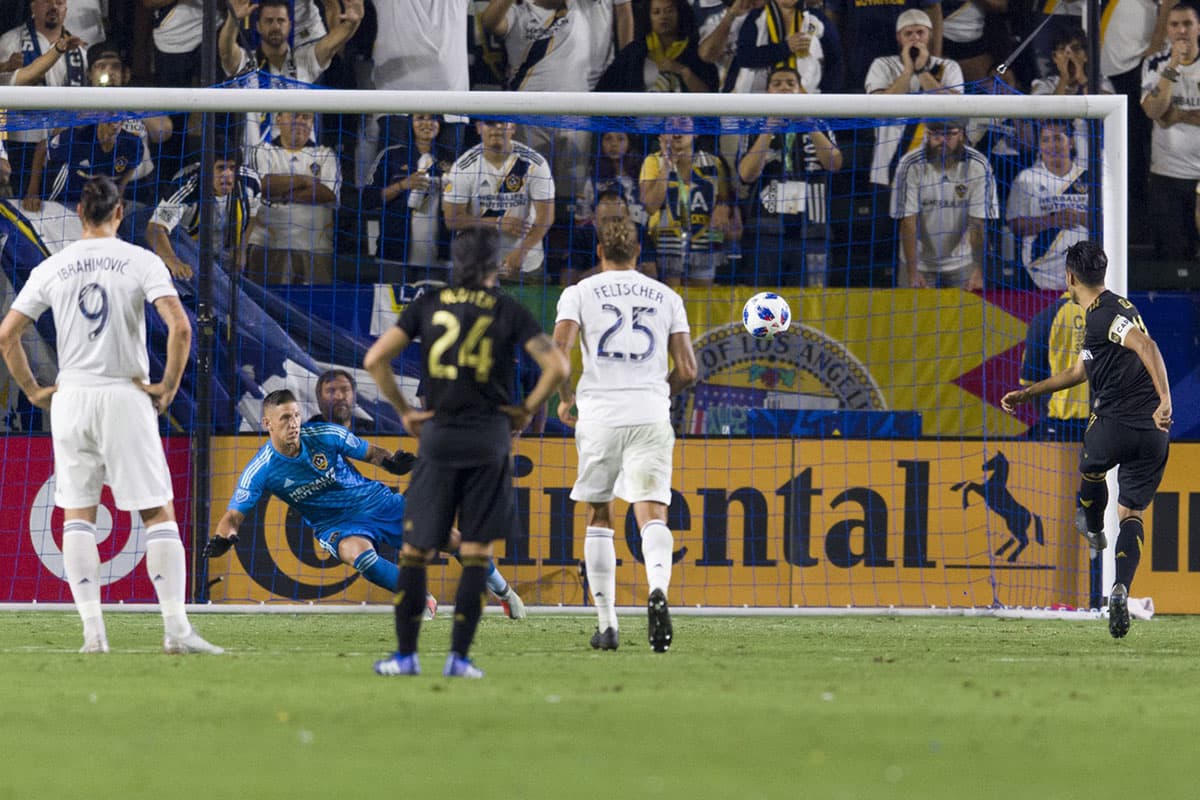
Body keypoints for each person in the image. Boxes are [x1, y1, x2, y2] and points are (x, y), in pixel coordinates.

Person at [0, 176, 223, 655]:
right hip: (125, 394)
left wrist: (35, 391)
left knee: (78, 513)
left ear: (80, 213)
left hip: (73, 398)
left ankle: (93, 634)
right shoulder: (141, 260)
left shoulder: (52, 266)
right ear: (120, 212)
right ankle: (176, 630)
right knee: (157, 513)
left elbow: (6, 335)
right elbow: (181, 328)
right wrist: (168, 387)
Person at [364, 226, 568, 678]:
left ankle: (406, 656)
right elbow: (558, 364)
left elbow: (374, 359)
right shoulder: (508, 309)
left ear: (454, 262)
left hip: (438, 435)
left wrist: (405, 412)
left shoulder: (428, 304)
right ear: (496, 265)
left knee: (415, 550)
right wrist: (526, 410)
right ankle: (458, 658)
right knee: (475, 550)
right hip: (489, 438)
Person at [1001, 240, 1172, 639]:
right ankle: (1121, 587)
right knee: (1131, 515)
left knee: (1092, 471)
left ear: (1069, 277)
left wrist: (1166, 397)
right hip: (1152, 433)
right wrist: (1028, 393)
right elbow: (1078, 372)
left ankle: (1093, 527)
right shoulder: (1115, 309)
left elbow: (1146, 346)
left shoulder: (1105, 316)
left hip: (1114, 425)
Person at [552, 216, 698, 652]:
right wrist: (658, 392)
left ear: (600, 252)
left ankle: (608, 624)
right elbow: (688, 369)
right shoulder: (668, 296)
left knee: (600, 514)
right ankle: (658, 589)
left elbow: (558, 352)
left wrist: (566, 398)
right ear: (638, 253)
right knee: (652, 511)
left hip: (599, 414)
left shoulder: (579, 292)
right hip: (650, 414)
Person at [309, 368, 529, 618]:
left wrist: (397, 464)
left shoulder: (375, 426)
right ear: (318, 399)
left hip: (379, 503)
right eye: (331, 391)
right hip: (340, 520)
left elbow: (383, 456)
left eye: (344, 390)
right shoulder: (309, 436)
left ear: (354, 394)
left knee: (451, 540)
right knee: (362, 557)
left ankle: (505, 593)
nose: (339, 396)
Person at [737, 65, 842, 286]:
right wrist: (769, 128)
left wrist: (809, 124)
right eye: (777, 84)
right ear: (768, 92)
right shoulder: (755, 126)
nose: (784, 87)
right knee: (762, 299)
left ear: (800, 90)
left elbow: (834, 164)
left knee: (811, 303)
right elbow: (746, 175)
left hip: (812, 230)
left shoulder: (819, 123)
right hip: (766, 231)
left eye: (790, 83)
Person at [442, 120, 555, 284]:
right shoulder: (463, 167)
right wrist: (497, 222)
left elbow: (546, 216)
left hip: (525, 265)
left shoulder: (535, 163)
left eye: (502, 123)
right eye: (490, 123)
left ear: (513, 127)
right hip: (477, 266)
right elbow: (452, 220)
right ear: (478, 128)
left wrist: (521, 251)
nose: (497, 128)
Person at [890, 117, 997, 288]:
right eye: (936, 135)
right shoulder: (910, 164)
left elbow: (978, 224)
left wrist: (979, 269)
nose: (942, 140)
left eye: (949, 134)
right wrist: (912, 271)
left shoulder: (979, 165)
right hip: (918, 261)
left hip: (962, 261)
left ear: (961, 134)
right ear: (927, 134)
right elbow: (908, 222)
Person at [146, 144, 263, 280]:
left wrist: (241, 249)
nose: (227, 175)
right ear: (207, 168)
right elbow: (154, 229)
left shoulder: (251, 183)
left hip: (225, 251)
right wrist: (175, 264)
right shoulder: (185, 186)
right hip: (189, 250)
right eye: (221, 168)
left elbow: (252, 215)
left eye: (232, 168)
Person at [1141, 3, 1200, 263]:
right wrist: (1174, 65)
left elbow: (1165, 115)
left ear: (1198, 27)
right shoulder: (1155, 63)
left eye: (1187, 24)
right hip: (1167, 175)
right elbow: (1153, 110)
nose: (1181, 31)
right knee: (1172, 258)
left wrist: (1177, 115)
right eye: (1174, 24)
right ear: (1167, 29)